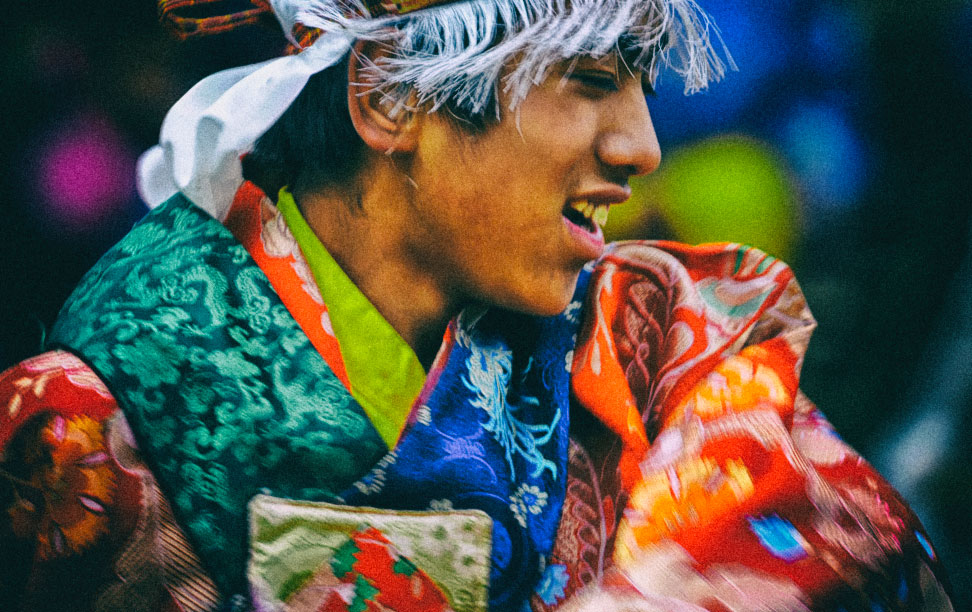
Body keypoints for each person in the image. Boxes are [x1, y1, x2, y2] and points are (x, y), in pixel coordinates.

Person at [0, 0, 953, 610]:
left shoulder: (651, 336)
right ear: (387, 99)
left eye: (642, 87)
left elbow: (851, 539)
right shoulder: (83, 420)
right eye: (592, 80)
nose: (643, 146)